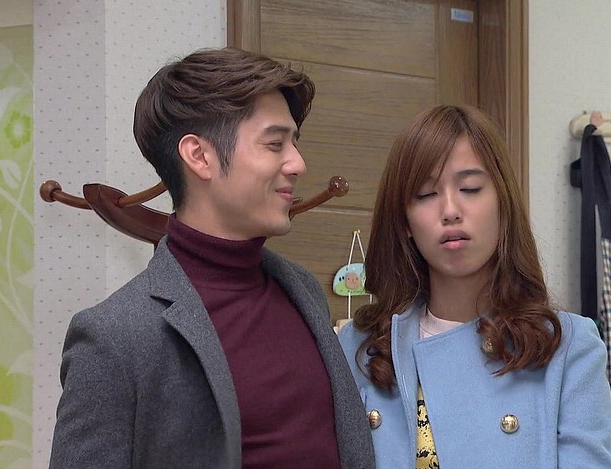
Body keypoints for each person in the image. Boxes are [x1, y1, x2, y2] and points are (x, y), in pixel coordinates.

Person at [49, 47, 375, 469]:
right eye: (274, 144)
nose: (298, 164)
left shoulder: (302, 289)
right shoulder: (114, 336)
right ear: (199, 156)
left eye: (294, 143)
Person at [338, 104, 611, 467]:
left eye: (470, 188)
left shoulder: (566, 348)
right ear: (404, 221)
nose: (450, 210)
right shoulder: (360, 347)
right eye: (426, 194)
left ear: (503, 203)